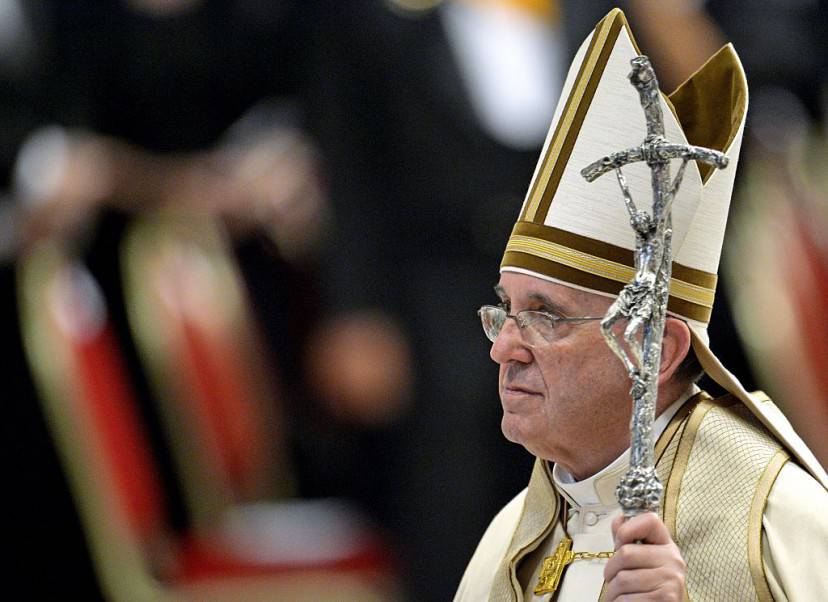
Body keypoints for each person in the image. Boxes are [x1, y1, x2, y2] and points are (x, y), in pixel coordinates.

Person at [455, 8, 828, 601]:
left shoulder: (779, 520)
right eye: (505, 310)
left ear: (659, 349)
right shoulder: (509, 539)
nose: (503, 347)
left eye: (545, 316)